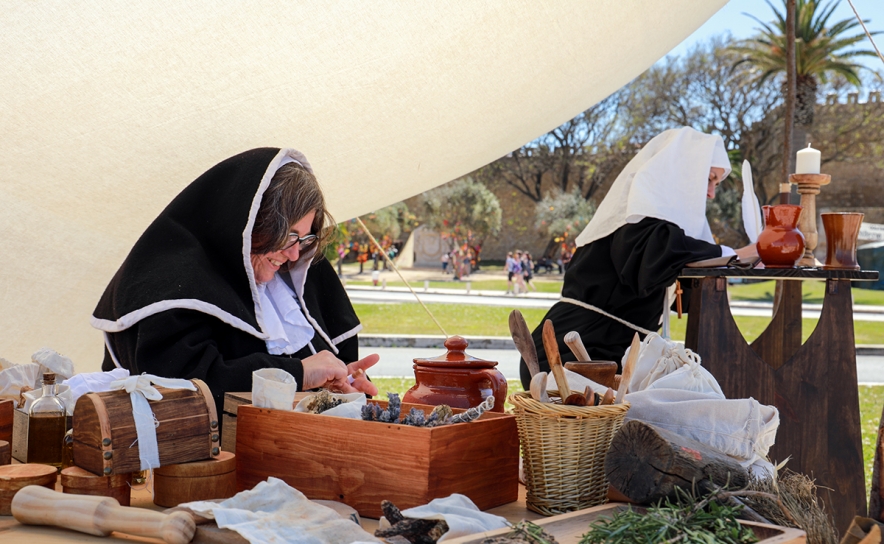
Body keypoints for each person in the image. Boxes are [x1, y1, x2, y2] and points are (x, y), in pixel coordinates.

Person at [92, 148, 379, 426]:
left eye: (304, 239)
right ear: (248, 221)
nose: (294, 254)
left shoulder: (293, 280)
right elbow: (183, 393)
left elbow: (309, 385)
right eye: (290, 235)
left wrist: (338, 390)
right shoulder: (170, 286)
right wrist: (299, 373)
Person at [519, 127, 758, 389]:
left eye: (716, 184)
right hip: (568, 357)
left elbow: (683, 286)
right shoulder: (634, 223)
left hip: (608, 360)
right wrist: (741, 253)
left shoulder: (662, 237)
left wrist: (743, 259)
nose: (711, 194)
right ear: (682, 173)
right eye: (709, 179)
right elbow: (660, 255)